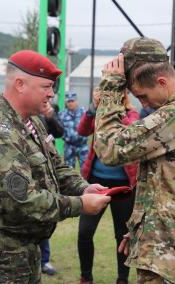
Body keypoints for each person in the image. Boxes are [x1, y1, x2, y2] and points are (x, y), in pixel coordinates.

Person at [0, 50, 111, 283]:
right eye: (46, 87)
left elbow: (57, 168)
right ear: (20, 84)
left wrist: (84, 188)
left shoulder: (31, 123)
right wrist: (80, 204)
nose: (52, 94)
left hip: (23, 250)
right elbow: (23, 201)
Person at [94, 37, 175, 283]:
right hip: (168, 248)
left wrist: (110, 90)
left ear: (162, 82)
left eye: (142, 96)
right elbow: (168, 181)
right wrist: (143, 231)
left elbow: (110, 148)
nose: (144, 104)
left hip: (170, 260)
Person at [77, 87, 139, 284]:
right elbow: (82, 130)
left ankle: (122, 279)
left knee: (122, 235)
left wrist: (124, 108)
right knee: (84, 233)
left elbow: (134, 133)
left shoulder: (131, 113)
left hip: (123, 185)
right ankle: (86, 277)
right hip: (96, 182)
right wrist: (93, 107)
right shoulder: (99, 113)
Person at [37, 101, 64, 276]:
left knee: (44, 218)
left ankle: (44, 261)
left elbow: (59, 132)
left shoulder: (46, 111)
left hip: (44, 176)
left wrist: (50, 117)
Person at [59, 92, 88, 168]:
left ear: (76, 101)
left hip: (82, 146)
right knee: (69, 170)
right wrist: (65, 137)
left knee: (85, 169)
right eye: (68, 101)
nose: (70, 103)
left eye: (72, 101)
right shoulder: (62, 114)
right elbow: (59, 129)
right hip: (69, 146)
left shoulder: (84, 113)